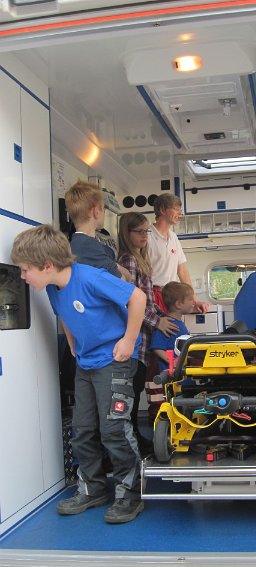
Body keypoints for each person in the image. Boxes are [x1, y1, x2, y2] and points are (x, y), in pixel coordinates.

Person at [11, 225, 147, 523]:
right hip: (86, 363)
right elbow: (66, 315)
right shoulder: (52, 288)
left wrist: (128, 340)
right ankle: (92, 489)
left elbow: (137, 298)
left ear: (47, 265)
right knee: (83, 429)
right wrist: (72, 343)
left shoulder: (89, 277)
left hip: (115, 359)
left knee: (113, 428)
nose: (22, 276)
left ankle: (130, 493)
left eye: (25, 269)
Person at [117, 212, 179, 453]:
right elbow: (131, 301)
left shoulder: (140, 259)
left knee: (135, 391)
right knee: (131, 394)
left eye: (146, 231)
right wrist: (158, 322)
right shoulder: (129, 261)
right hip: (136, 341)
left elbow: (149, 301)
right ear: (127, 233)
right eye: (139, 232)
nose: (145, 236)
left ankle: (134, 438)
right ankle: (131, 442)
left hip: (142, 340)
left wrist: (164, 316)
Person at [148, 193, 208, 313]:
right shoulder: (147, 235)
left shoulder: (173, 237)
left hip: (169, 297)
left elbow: (182, 271)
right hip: (151, 295)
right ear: (163, 210)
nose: (180, 213)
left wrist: (194, 300)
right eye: (176, 209)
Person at [65, 180, 130, 281]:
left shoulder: (72, 245)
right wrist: (119, 267)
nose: (104, 213)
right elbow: (123, 281)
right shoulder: (89, 246)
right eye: (103, 209)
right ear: (96, 212)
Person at [150, 281, 195, 371]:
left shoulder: (180, 323)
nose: (194, 302)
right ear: (179, 304)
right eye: (190, 299)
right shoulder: (168, 324)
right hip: (171, 375)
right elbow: (157, 347)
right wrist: (172, 361)